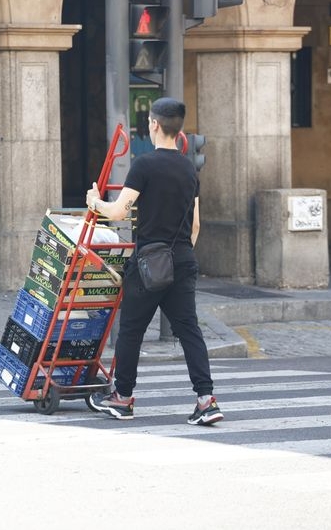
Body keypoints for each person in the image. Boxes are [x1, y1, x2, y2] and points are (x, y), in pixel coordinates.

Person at [85, 97, 224, 426]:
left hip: (150, 261)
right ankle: (206, 400)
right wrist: (178, 255)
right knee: (189, 329)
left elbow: (119, 210)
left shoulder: (144, 165)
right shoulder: (189, 168)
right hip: (182, 259)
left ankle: (122, 398)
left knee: (131, 329)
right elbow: (196, 225)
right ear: (179, 129)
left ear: (154, 125)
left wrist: (95, 202)